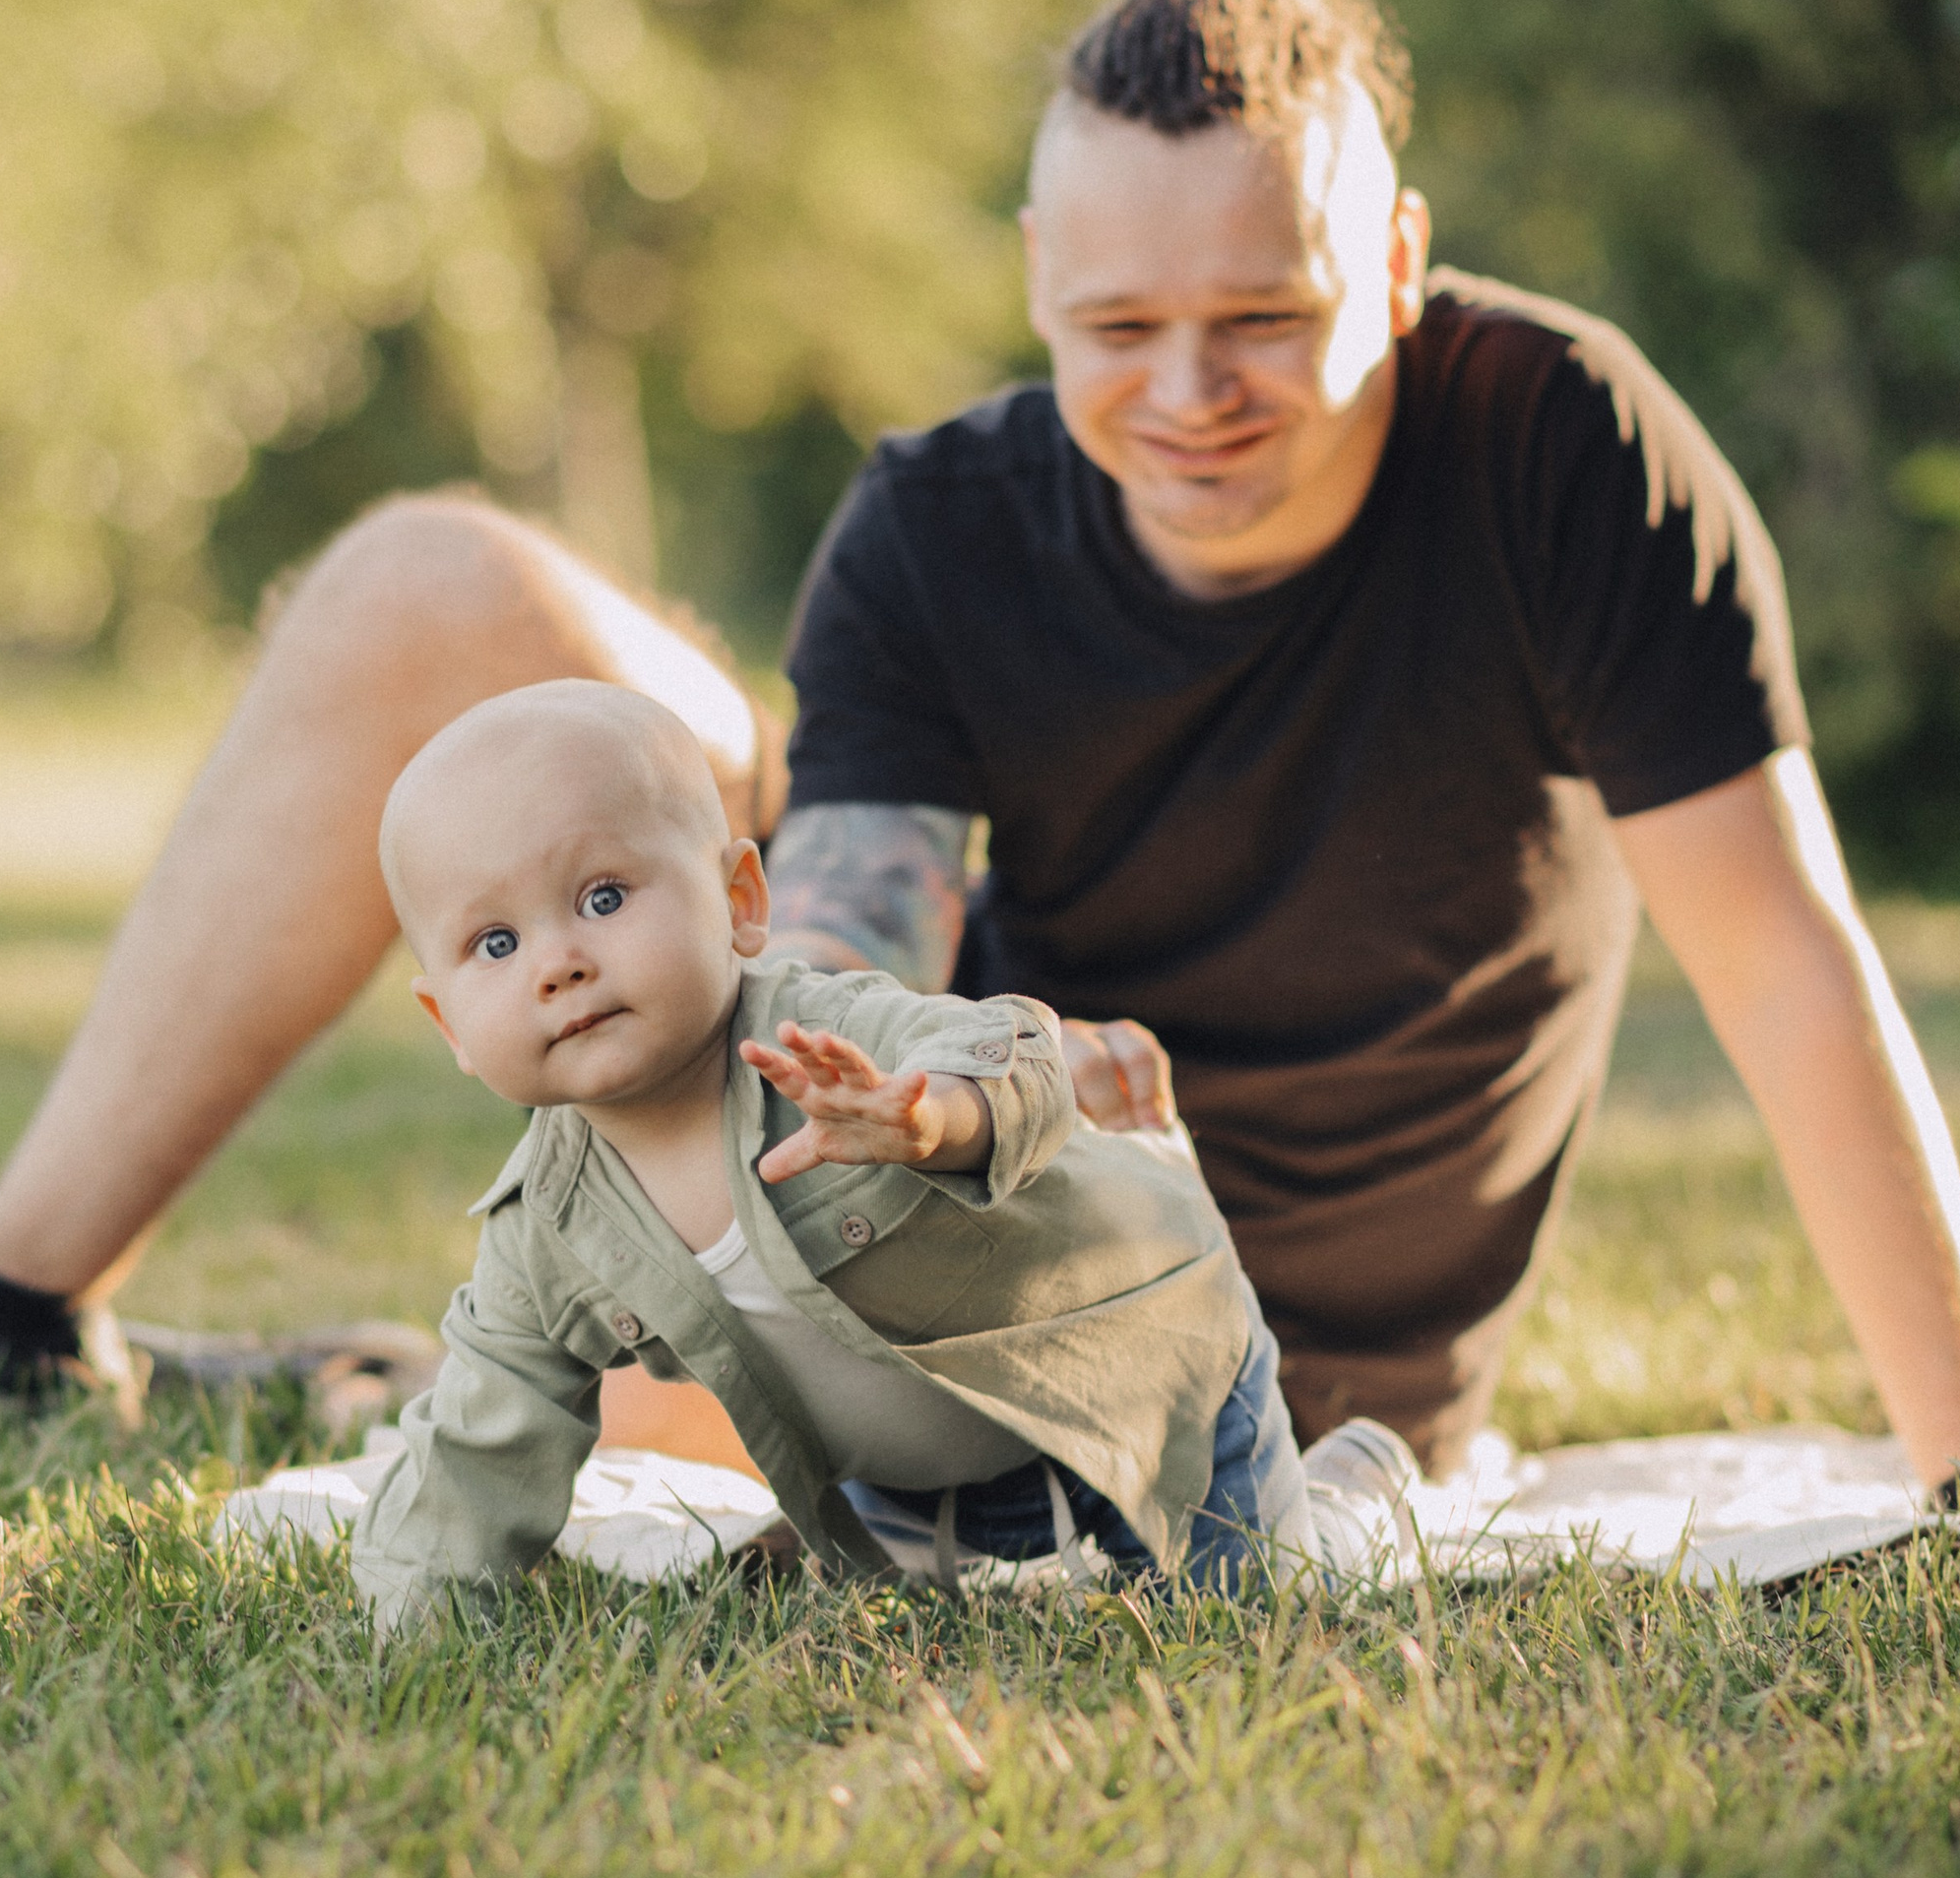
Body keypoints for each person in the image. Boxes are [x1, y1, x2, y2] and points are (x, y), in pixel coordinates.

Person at [0, 0, 1960, 1518]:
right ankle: (1, 1322)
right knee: (434, 581)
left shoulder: (1559, 447)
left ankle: (395, 1377)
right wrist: (653, 1137)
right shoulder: (940, 516)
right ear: (1035, 281)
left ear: (1398, 265)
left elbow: (1783, 964)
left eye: (1265, 319)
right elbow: (823, 1003)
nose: (1190, 392)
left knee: (611, 1378)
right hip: (944, 1211)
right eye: (1113, 330)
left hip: (1253, 1362)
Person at [330, 678, 1336, 1621]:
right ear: (447, 1021)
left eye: (602, 896)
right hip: (925, 1487)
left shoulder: (820, 1037)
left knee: (1260, 1610)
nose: (559, 961)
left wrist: (929, 1117)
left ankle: (1344, 1488)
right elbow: (481, 1435)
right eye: (495, 943)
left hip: (1146, 1374)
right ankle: (1324, 1488)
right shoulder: (545, 1229)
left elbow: (1013, 1050)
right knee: (942, 1608)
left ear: (738, 902)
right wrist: (407, 1620)